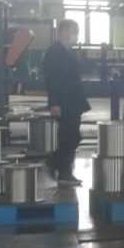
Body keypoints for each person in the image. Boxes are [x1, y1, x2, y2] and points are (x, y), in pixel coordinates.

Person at [43, 18, 90, 185]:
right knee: (69, 137)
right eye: (73, 31)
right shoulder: (54, 52)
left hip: (73, 101)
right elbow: (52, 80)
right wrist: (54, 103)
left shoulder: (68, 51)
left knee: (72, 137)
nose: (76, 35)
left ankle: (58, 166)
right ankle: (61, 170)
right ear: (63, 32)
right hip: (64, 102)